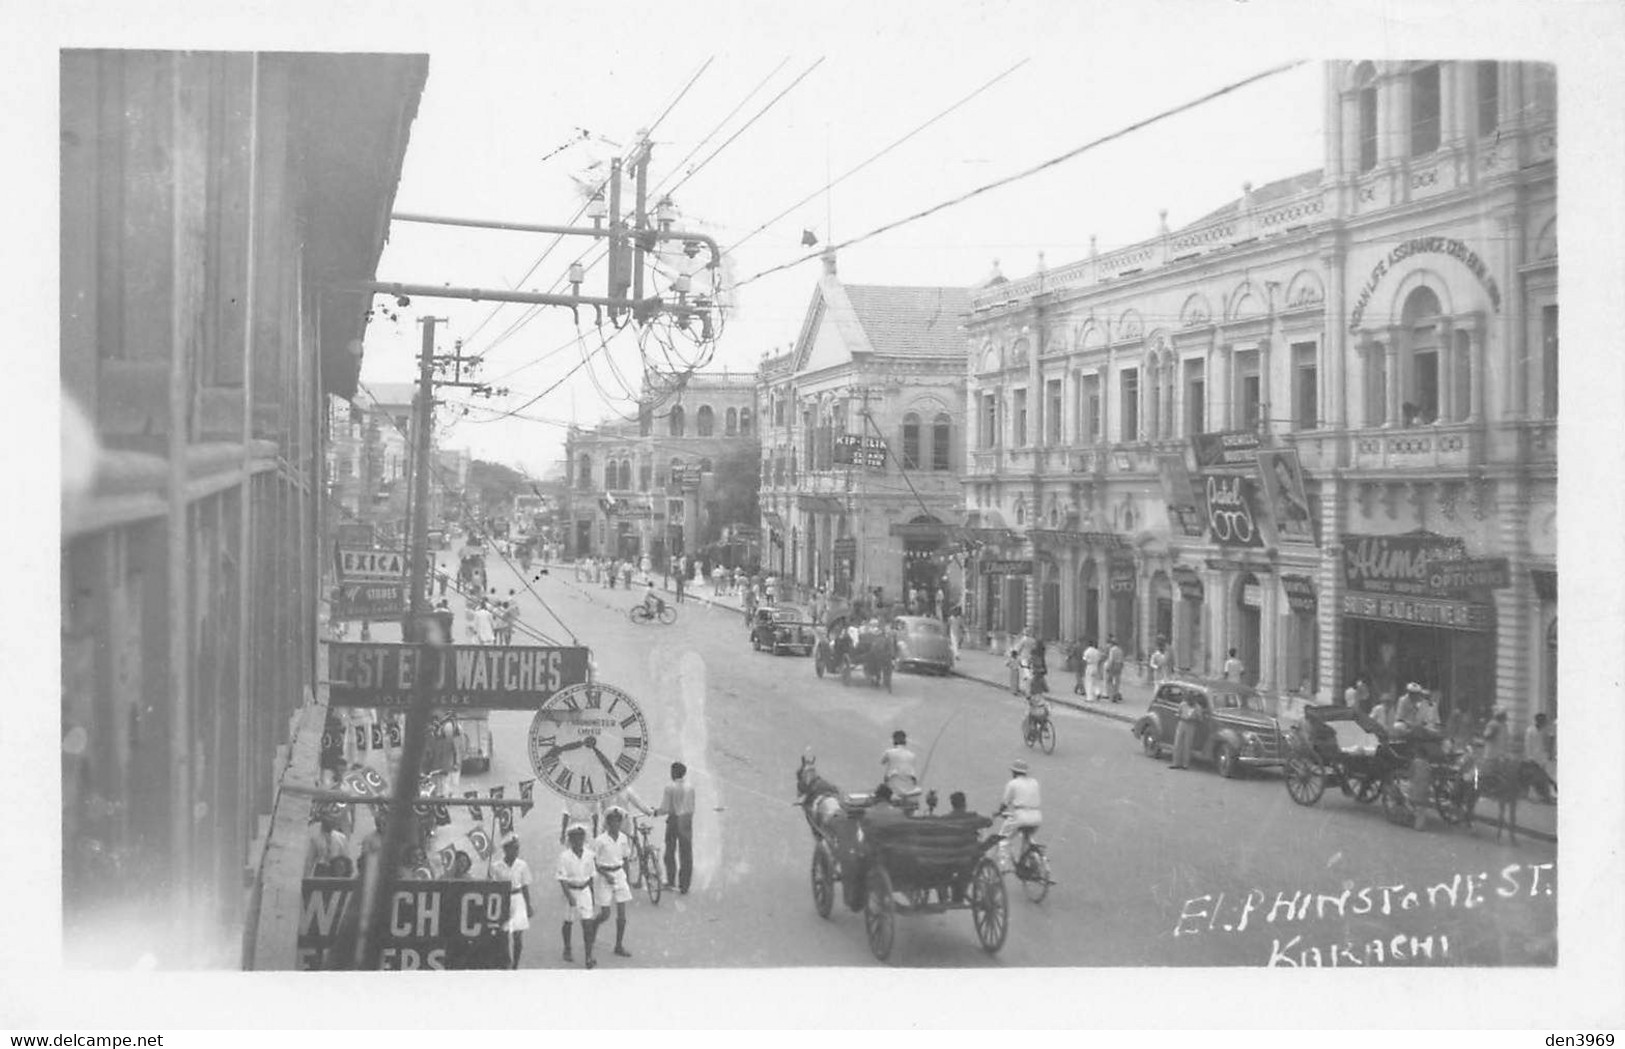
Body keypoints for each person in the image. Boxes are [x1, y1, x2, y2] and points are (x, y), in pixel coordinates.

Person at [591, 807, 636, 959]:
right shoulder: (600, 841)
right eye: (612, 821)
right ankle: (593, 925)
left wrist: (627, 879)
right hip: (604, 875)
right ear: (608, 823)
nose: (615, 824)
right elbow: (594, 863)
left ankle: (618, 945)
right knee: (605, 914)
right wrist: (605, 875)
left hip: (619, 874)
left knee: (622, 915)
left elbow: (625, 859)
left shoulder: (623, 839)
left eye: (618, 821)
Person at [555, 824, 598, 968]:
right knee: (568, 921)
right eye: (575, 838)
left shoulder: (589, 855)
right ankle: (567, 948)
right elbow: (562, 879)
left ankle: (588, 956)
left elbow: (591, 875)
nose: (578, 841)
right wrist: (569, 897)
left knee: (587, 924)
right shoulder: (564, 857)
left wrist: (592, 894)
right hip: (571, 890)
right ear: (571, 840)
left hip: (584, 890)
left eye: (580, 838)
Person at [490, 833, 533, 969]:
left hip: (517, 898)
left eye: (516, 849)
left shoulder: (522, 865)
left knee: (518, 936)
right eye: (512, 849)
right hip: (502, 899)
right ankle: (505, 960)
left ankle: (515, 963)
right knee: (503, 934)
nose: (515, 852)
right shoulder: (496, 866)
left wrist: (528, 905)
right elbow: (492, 886)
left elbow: (525, 886)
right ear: (505, 850)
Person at [654, 761, 696, 894]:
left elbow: (665, 808)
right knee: (686, 853)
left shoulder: (670, 787)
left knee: (670, 851)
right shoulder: (690, 787)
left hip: (674, 820)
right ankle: (684, 885)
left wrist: (656, 812)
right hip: (687, 820)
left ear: (674, 772)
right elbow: (692, 806)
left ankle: (671, 880)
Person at [995, 759, 1042, 872]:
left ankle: (1004, 866)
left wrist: (999, 811)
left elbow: (1005, 802)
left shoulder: (1013, 783)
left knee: (1003, 839)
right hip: (1036, 816)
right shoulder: (1034, 782)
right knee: (1027, 837)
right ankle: (1032, 858)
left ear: (1014, 772)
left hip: (1020, 816)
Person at [1522, 712, 1556, 803]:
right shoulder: (1530, 730)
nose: (1545, 723)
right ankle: (1532, 795)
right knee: (1534, 777)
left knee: (1542, 777)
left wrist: (1548, 754)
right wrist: (1530, 758)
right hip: (1533, 758)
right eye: (1544, 721)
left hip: (1541, 758)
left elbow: (1547, 743)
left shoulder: (1543, 730)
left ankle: (1544, 795)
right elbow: (1527, 745)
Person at [1170, 690, 1203, 770]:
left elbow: (1200, 719)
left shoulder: (1197, 707)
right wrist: (1179, 716)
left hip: (1191, 724)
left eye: (1191, 698)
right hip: (1182, 722)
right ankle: (1176, 763)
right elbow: (1179, 713)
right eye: (1188, 698)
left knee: (1187, 745)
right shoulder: (1183, 704)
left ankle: (1185, 764)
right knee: (1177, 743)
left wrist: (1194, 717)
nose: (1189, 700)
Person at [880, 730, 919, 798]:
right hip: (909, 789)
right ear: (905, 741)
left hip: (893, 788)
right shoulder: (912, 755)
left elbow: (882, 762)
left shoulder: (889, 752)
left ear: (894, 740)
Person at [1104, 636, 1125, 703]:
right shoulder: (1120, 650)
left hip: (1113, 666)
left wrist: (1108, 667)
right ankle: (1116, 693)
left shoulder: (1112, 650)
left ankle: (1112, 695)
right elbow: (1122, 659)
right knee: (1117, 681)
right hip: (1119, 666)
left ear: (1112, 644)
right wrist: (1121, 666)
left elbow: (1111, 659)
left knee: (1109, 681)